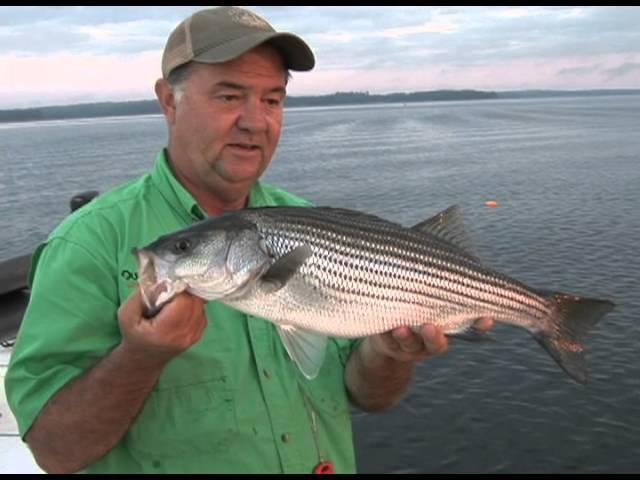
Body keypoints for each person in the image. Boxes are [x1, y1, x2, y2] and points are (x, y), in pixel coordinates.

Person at [4, 6, 492, 474]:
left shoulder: (306, 219)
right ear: (168, 100)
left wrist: (390, 353)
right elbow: (55, 451)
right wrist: (140, 356)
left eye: (273, 99)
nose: (256, 121)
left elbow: (369, 395)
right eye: (229, 95)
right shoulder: (87, 244)